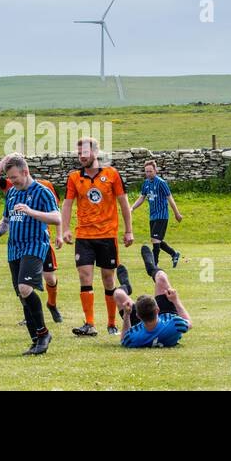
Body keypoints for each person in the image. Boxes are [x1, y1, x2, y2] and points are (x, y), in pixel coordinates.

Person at [61, 137, 134, 336]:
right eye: (78, 154)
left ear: (95, 152)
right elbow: (67, 204)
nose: (81, 157)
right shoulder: (74, 177)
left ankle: (111, 323)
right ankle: (90, 324)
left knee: (108, 279)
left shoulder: (112, 174)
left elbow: (124, 204)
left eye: (84, 152)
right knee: (85, 277)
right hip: (84, 236)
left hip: (107, 235)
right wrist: (65, 229)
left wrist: (128, 230)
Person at [0, 154, 61, 355]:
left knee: (25, 288)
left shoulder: (42, 192)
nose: (11, 181)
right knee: (22, 295)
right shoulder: (11, 194)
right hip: (14, 249)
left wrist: (31, 212)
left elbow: (56, 217)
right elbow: (6, 220)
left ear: (25, 172)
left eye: (14, 177)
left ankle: (44, 333)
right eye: (9, 178)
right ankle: (36, 340)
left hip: (34, 246)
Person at [115, 246, 191, 348]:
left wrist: (127, 315)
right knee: (162, 277)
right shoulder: (175, 324)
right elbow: (189, 323)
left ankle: (126, 285)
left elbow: (124, 340)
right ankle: (152, 268)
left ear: (137, 316)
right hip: (166, 322)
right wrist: (175, 300)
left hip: (144, 328)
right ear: (158, 309)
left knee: (118, 294)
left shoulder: (134, 337)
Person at [131, 160, 183, 267]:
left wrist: (177, 214)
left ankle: (155, 265)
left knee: (155, 240)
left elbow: (170, 198)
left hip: (162, 216)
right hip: (153, 216)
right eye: (146, 171)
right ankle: (174, 254)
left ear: (155, 170)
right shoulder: (146, 183)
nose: (148, 173)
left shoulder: (161, 183)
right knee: (158, 240)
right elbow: (142, 197)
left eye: (150, 171)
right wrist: (131, 208)